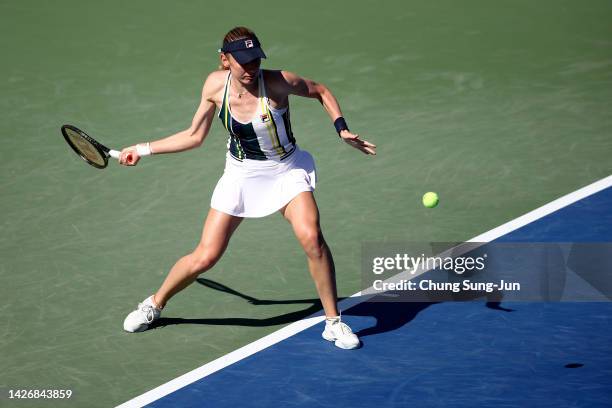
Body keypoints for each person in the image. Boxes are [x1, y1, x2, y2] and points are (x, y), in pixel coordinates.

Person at [120, 26, 376, 350]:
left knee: (312, 237)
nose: (251, 67)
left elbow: (320, 91)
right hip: (241, 175)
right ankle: (154, 305)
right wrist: (142, 149)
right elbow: (194, 136)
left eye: (255, 59)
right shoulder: (215, 86)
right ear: (225, 60)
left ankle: (333, 323)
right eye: (243, 61)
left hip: (287, 169)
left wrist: (342, 129)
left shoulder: (279, 82)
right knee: (205, 256)